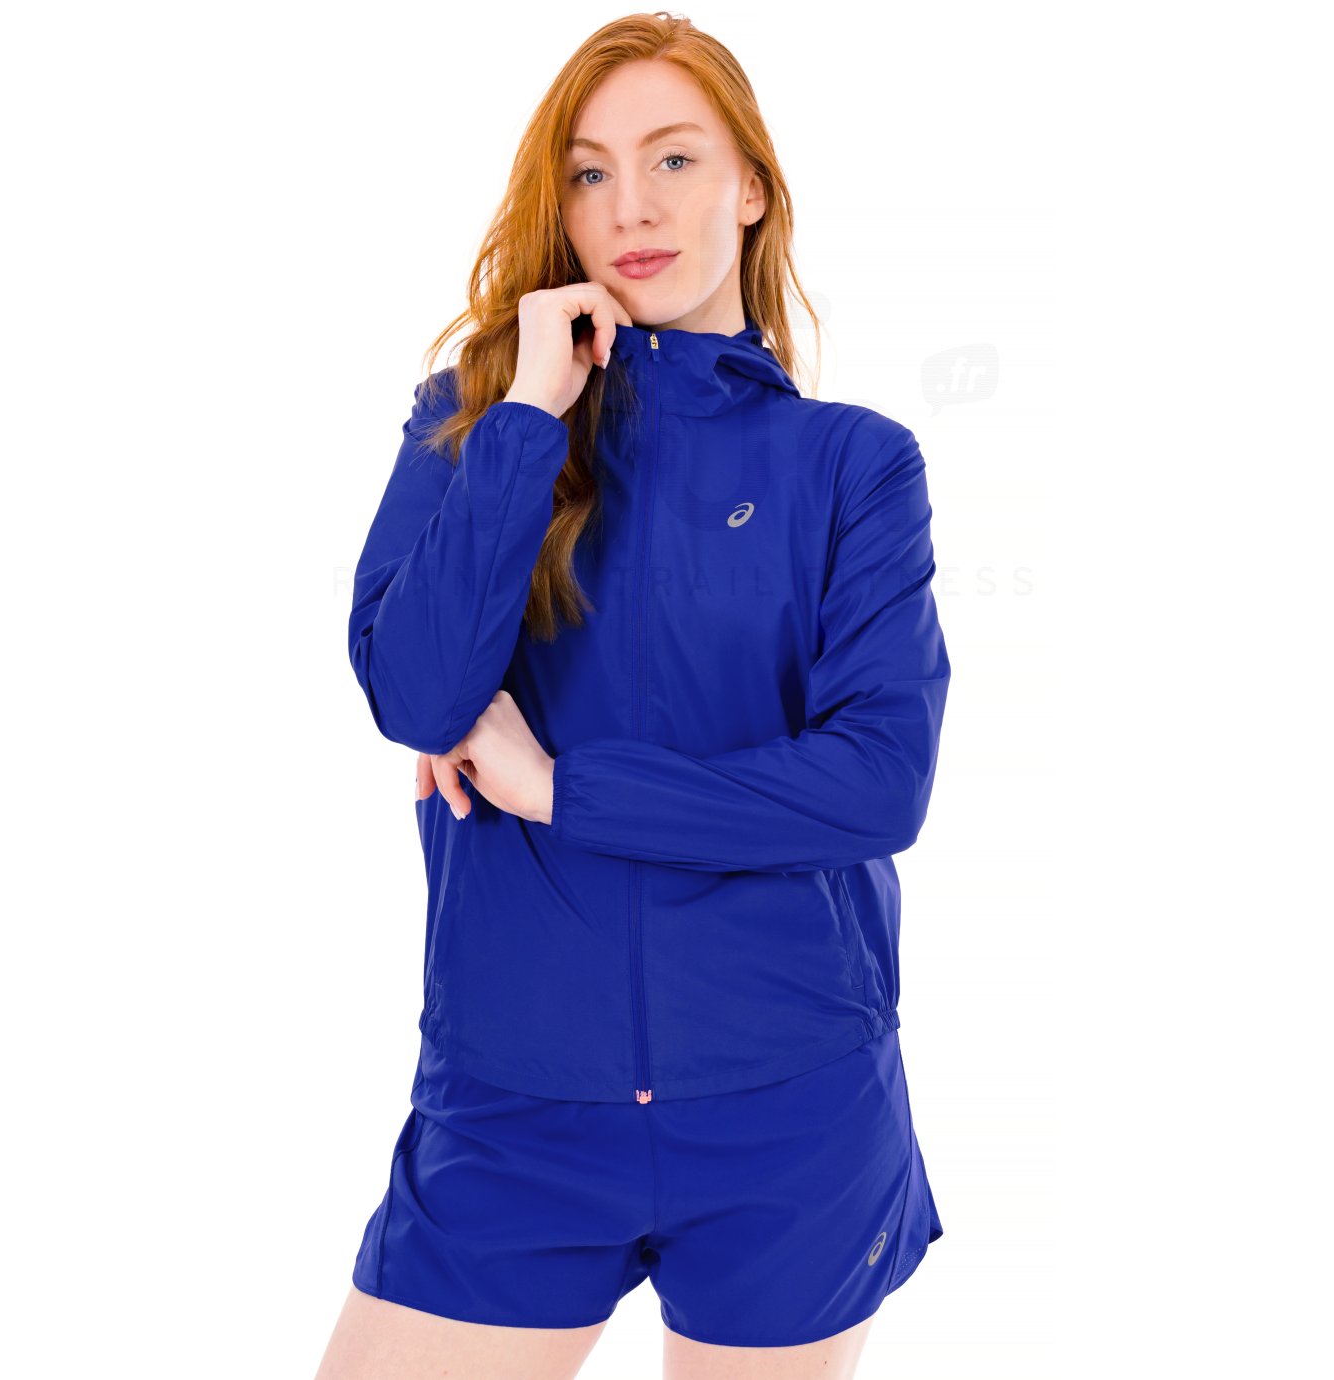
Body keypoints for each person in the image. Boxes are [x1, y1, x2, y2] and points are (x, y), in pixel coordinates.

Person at [314, 14, 950, 1379]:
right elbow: (417, 695)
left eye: (674, 159)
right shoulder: (475, 425)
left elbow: (877, 784)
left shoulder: (852, 466)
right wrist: (527, 417)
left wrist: (561, 789)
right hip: (514, 1108)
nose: (632, 208)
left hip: (788, 1109)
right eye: (590, 173)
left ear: (751, 187)